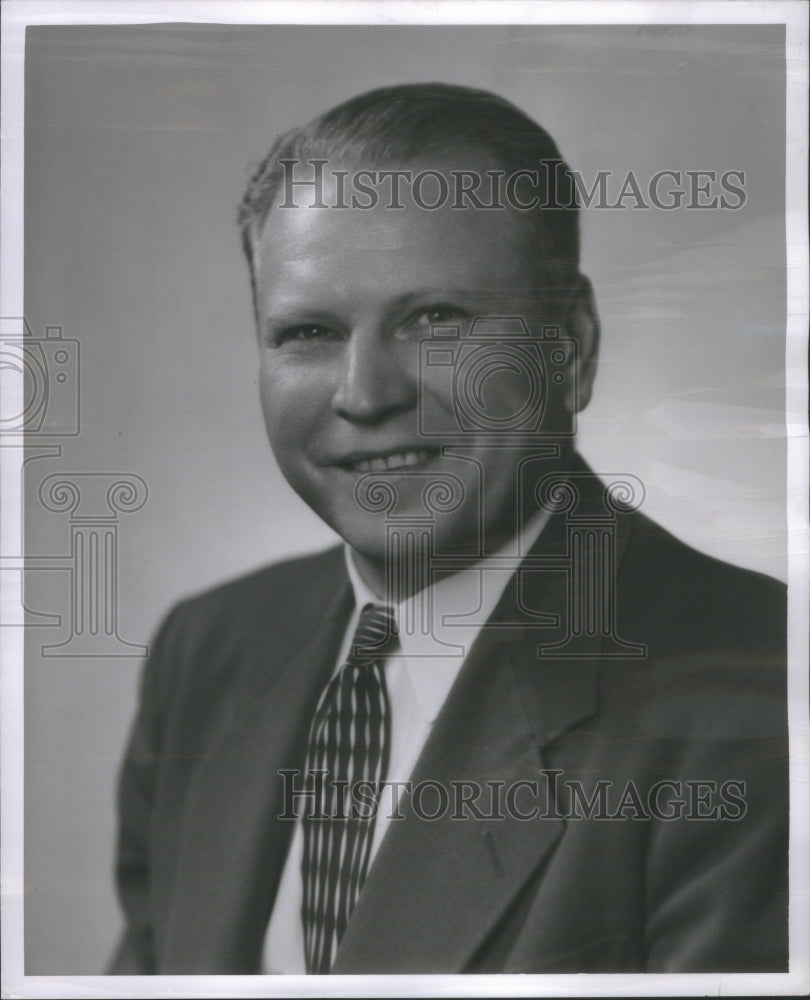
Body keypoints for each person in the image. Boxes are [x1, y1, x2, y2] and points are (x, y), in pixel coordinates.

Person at [109, 83, 788, 975]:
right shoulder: (206, 651)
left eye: (436, 320)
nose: (365, 393)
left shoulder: (759, 697)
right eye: (309, 332)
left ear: (571, 346)